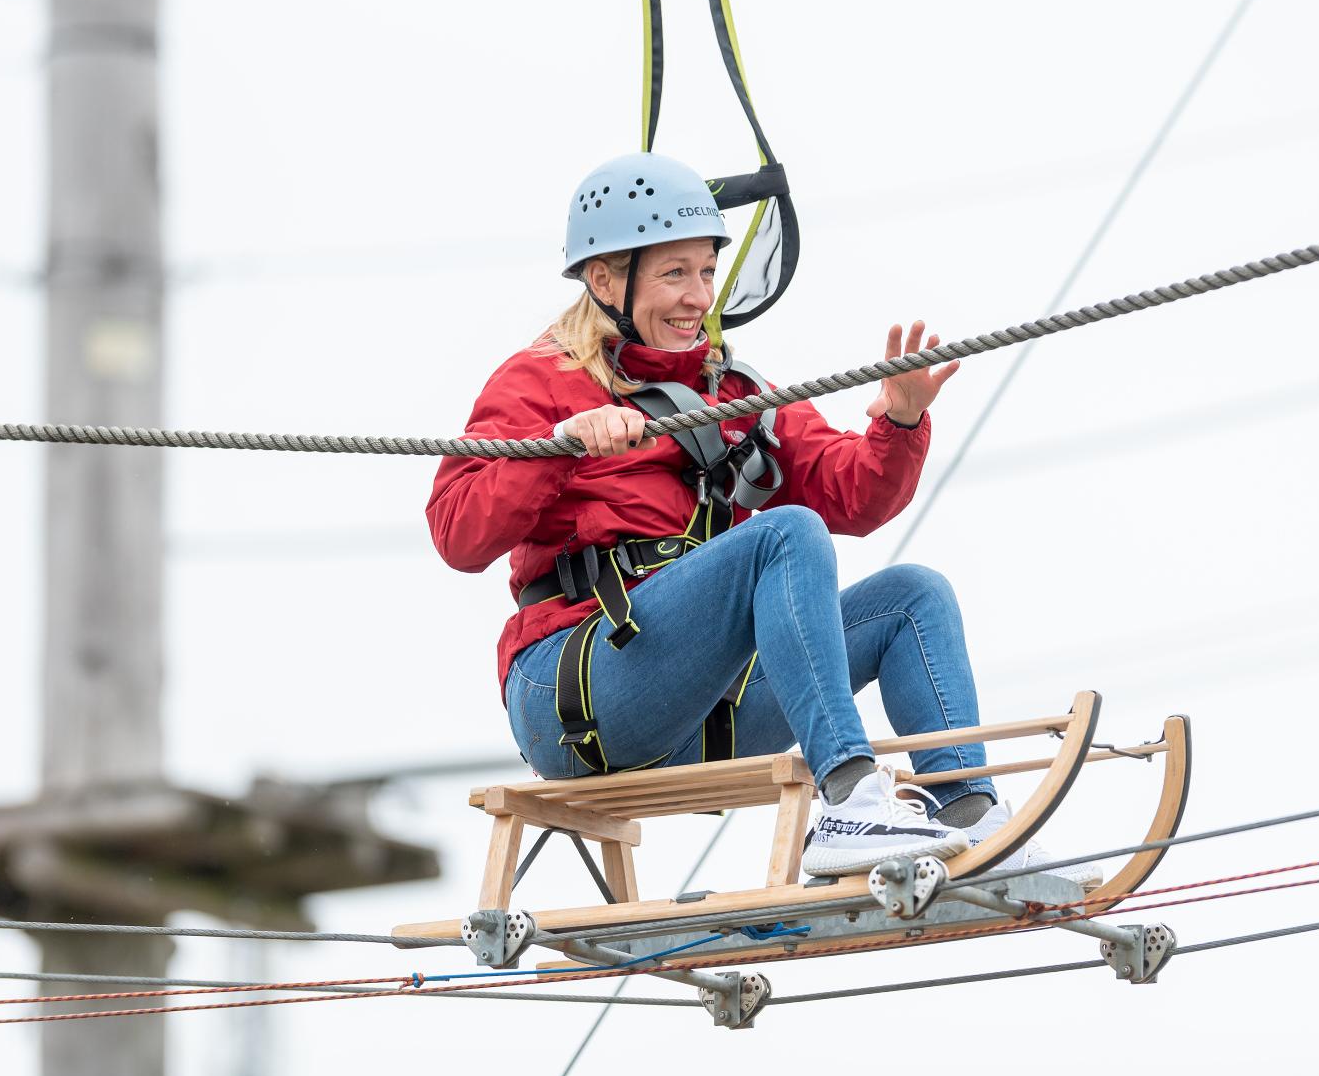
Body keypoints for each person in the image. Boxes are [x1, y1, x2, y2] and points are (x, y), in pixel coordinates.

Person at [427, 152, 1073, 879]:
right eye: (675, 274)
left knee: (913, 597)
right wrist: (560, 446)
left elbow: (852, 497)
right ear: (605, 279)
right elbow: (458, 534)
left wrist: (899, 423)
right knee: (784, 535)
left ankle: (973, 824)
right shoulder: (540, 381)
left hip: (707, 708)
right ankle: (850, 798)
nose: (697, 296)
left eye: (705, 272)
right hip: (576, 695)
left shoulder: (732, 390)